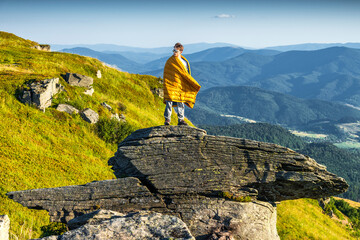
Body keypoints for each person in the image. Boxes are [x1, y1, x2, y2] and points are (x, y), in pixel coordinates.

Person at [163, 43, 201, 125]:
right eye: (173, 50)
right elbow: (167, 72)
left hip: (181, 85)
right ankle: (167, 120)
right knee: (169, 101)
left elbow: (186, 74)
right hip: (171, 83)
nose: (174, 52)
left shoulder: (184, 62)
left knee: (181, 101)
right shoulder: (170, 61)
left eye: (176, 51)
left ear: (181, 51)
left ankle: (181, 120)